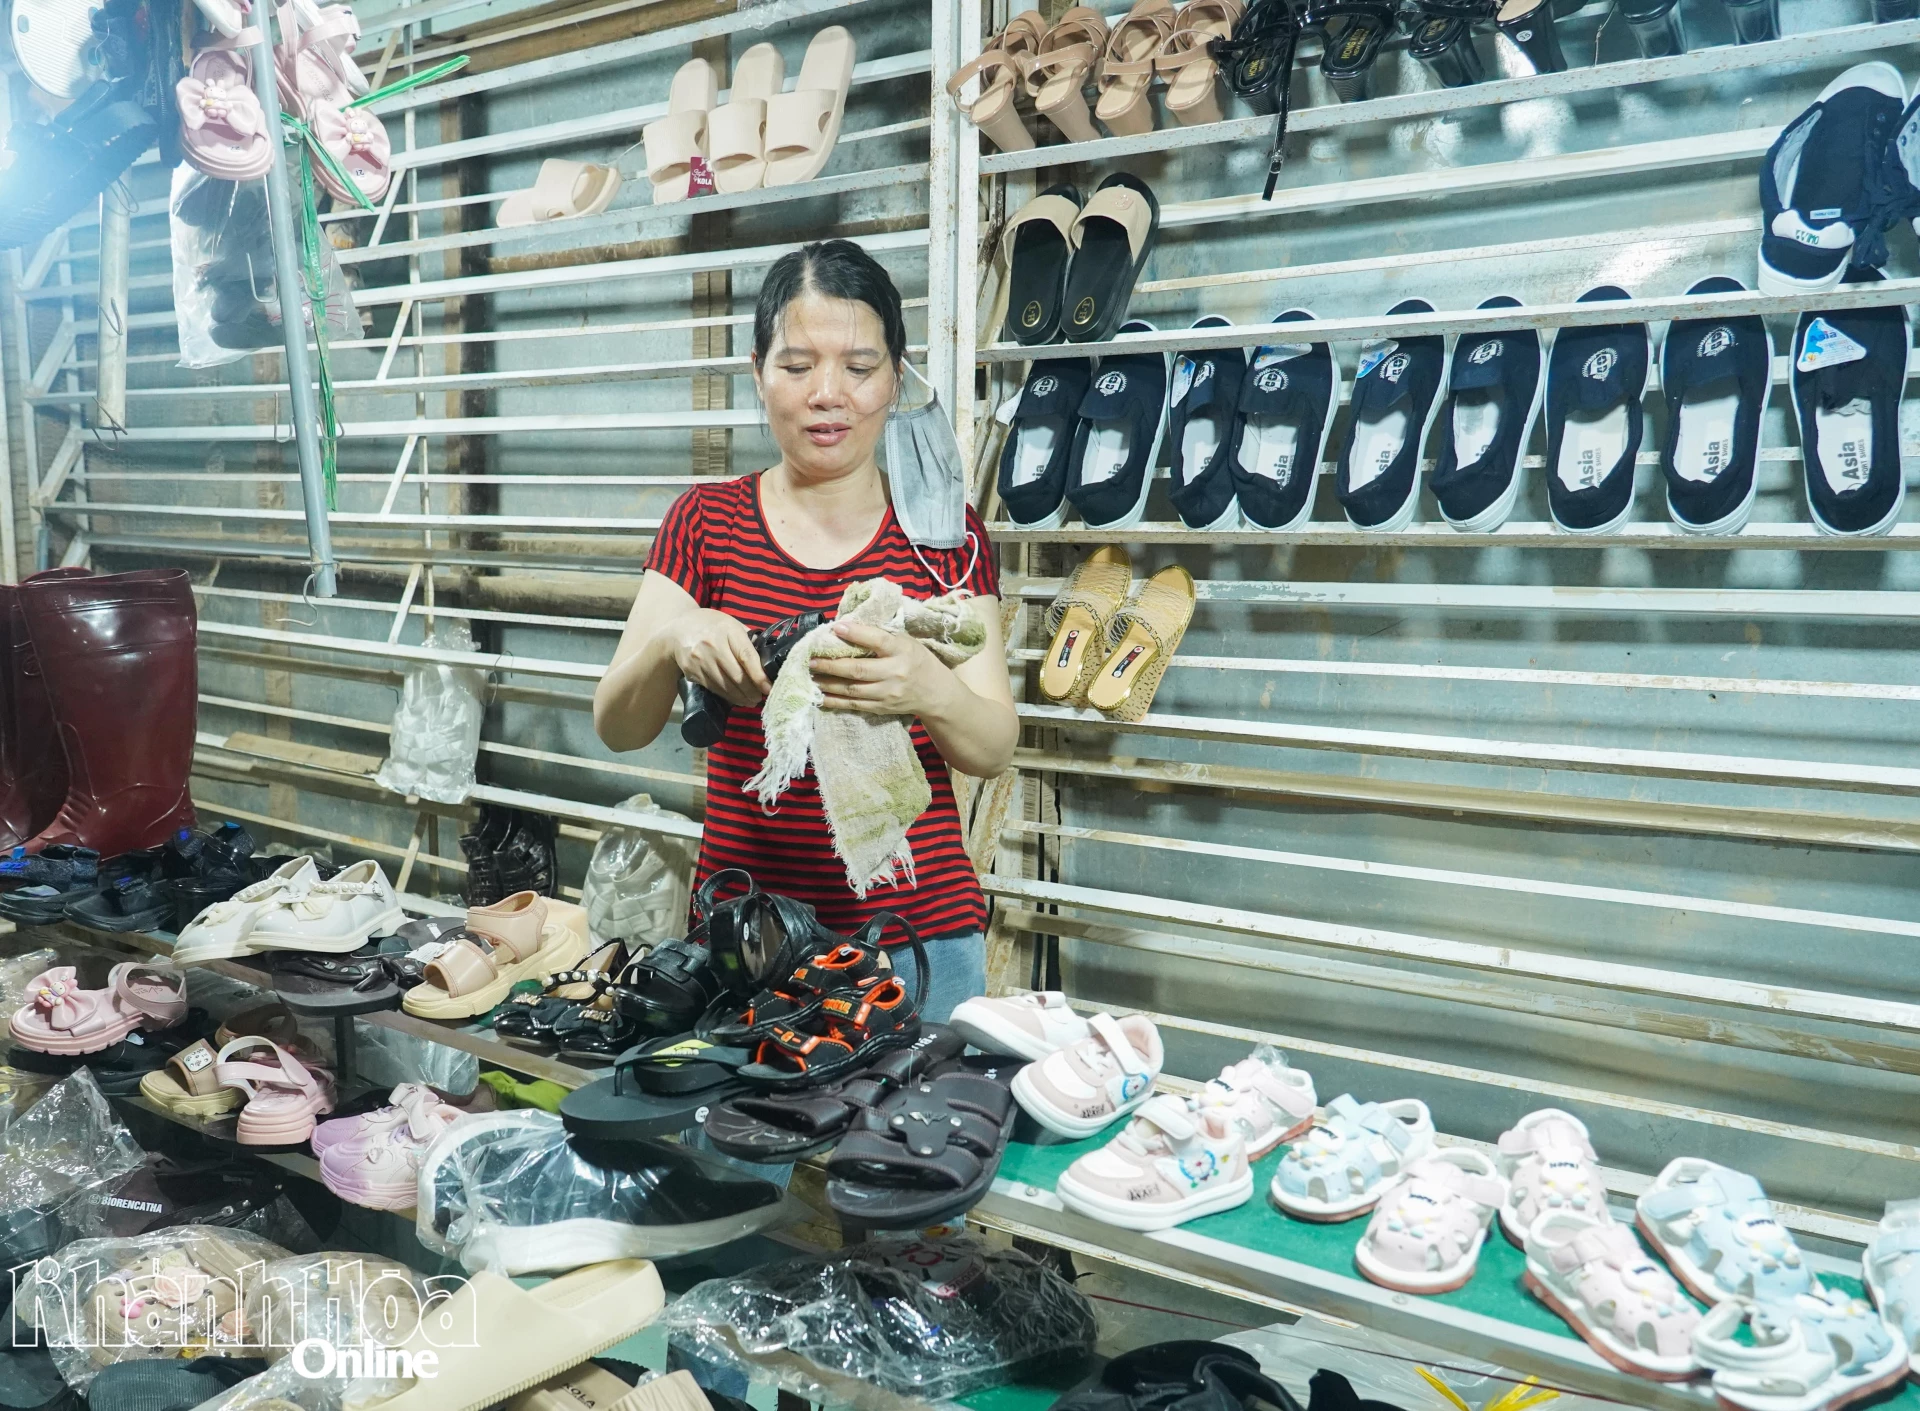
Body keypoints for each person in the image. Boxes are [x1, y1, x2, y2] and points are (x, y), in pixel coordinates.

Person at [594, 240, 1017, 1024]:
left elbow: (992, 745)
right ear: (758, 372)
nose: (829, 394)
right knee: (744, 1145)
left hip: (922, 944)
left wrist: (925, 687)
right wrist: (671, 638)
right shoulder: (706, 522)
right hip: (748, 934)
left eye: (859, 367)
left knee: (904, 1149)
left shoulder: (944, 534)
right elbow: (618, 725)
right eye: (797, 367)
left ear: (897, 376)